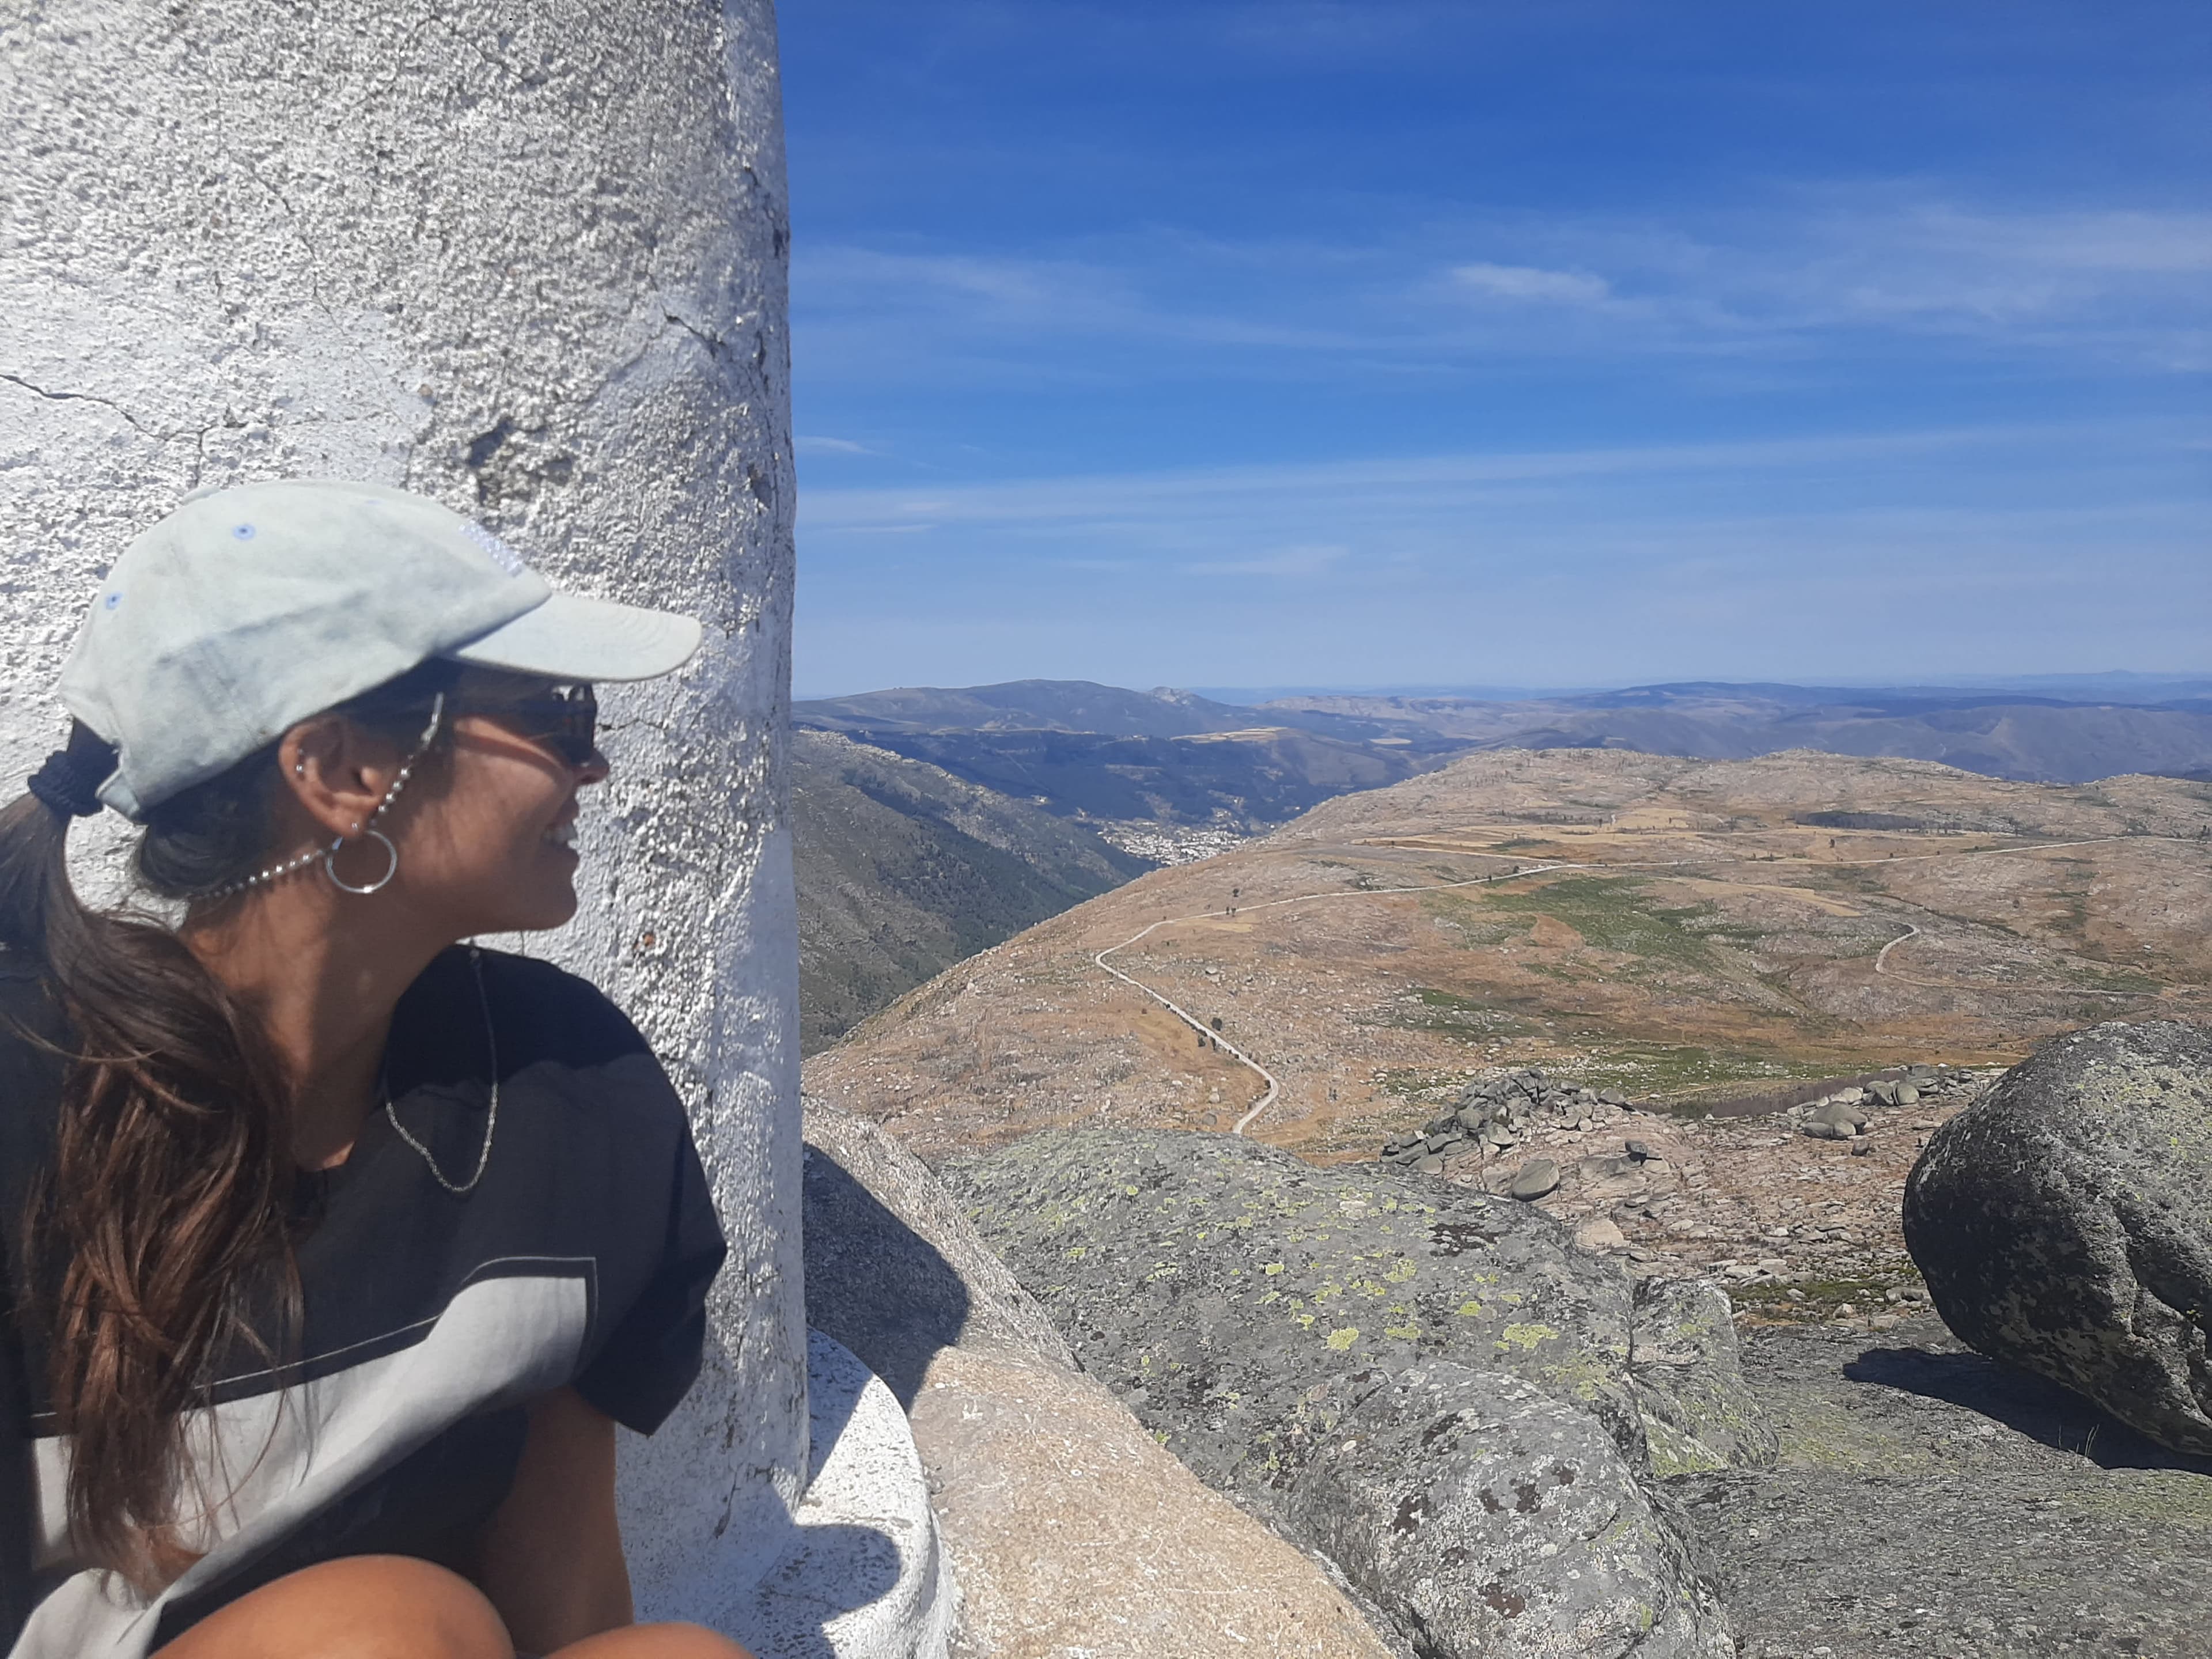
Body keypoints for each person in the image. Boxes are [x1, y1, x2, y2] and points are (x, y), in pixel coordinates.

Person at [0, 481, 755, 1659]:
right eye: (558, 716)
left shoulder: (572, 1091)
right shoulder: (30, 1099)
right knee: (388, 1630)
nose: (591, 766)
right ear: (342, 772)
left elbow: (562, 1577)